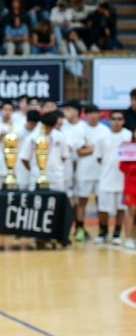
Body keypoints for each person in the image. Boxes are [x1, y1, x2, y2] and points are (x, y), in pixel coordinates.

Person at [73, 104, 110, 243]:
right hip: (84, 171)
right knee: (82, 201)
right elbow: (79, 151)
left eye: (95, 113)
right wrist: (95, 148)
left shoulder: (105, 130)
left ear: (99, 114)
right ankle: (80, 229)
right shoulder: (80, 129)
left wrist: (90, 148)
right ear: (85, 115)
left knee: (102, 203)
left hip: (101, 172)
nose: (93, 116)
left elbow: (105, 152)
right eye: (90, 113)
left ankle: (103, 230)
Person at [94, 111, 131, 245]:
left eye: (119, 119)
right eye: (114, 119)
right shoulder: (102, 137)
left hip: (123, 179)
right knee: (103, 208)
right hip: (106, 178)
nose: (116, 121)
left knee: (121, 208)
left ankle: (116, 233)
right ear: (109, 120)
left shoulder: (128, 136)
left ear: (123, 121)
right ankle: (103, 232)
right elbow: (98, 157)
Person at [19, 110, 69, 191]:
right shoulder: (32, 138)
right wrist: (33, 170)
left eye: (50, 127)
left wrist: (56, 165)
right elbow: (24, 158)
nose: (48, 129)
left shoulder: (60, 137)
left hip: (55, 177)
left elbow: (64, 156)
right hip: (36, 177)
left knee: (57, 201)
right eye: (46, 126)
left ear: (53, 126)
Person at [120, 130, 136, 250]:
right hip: (131, 185)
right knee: (131, 211)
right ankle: (129, 238)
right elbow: (122, 166)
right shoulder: (128, 147)